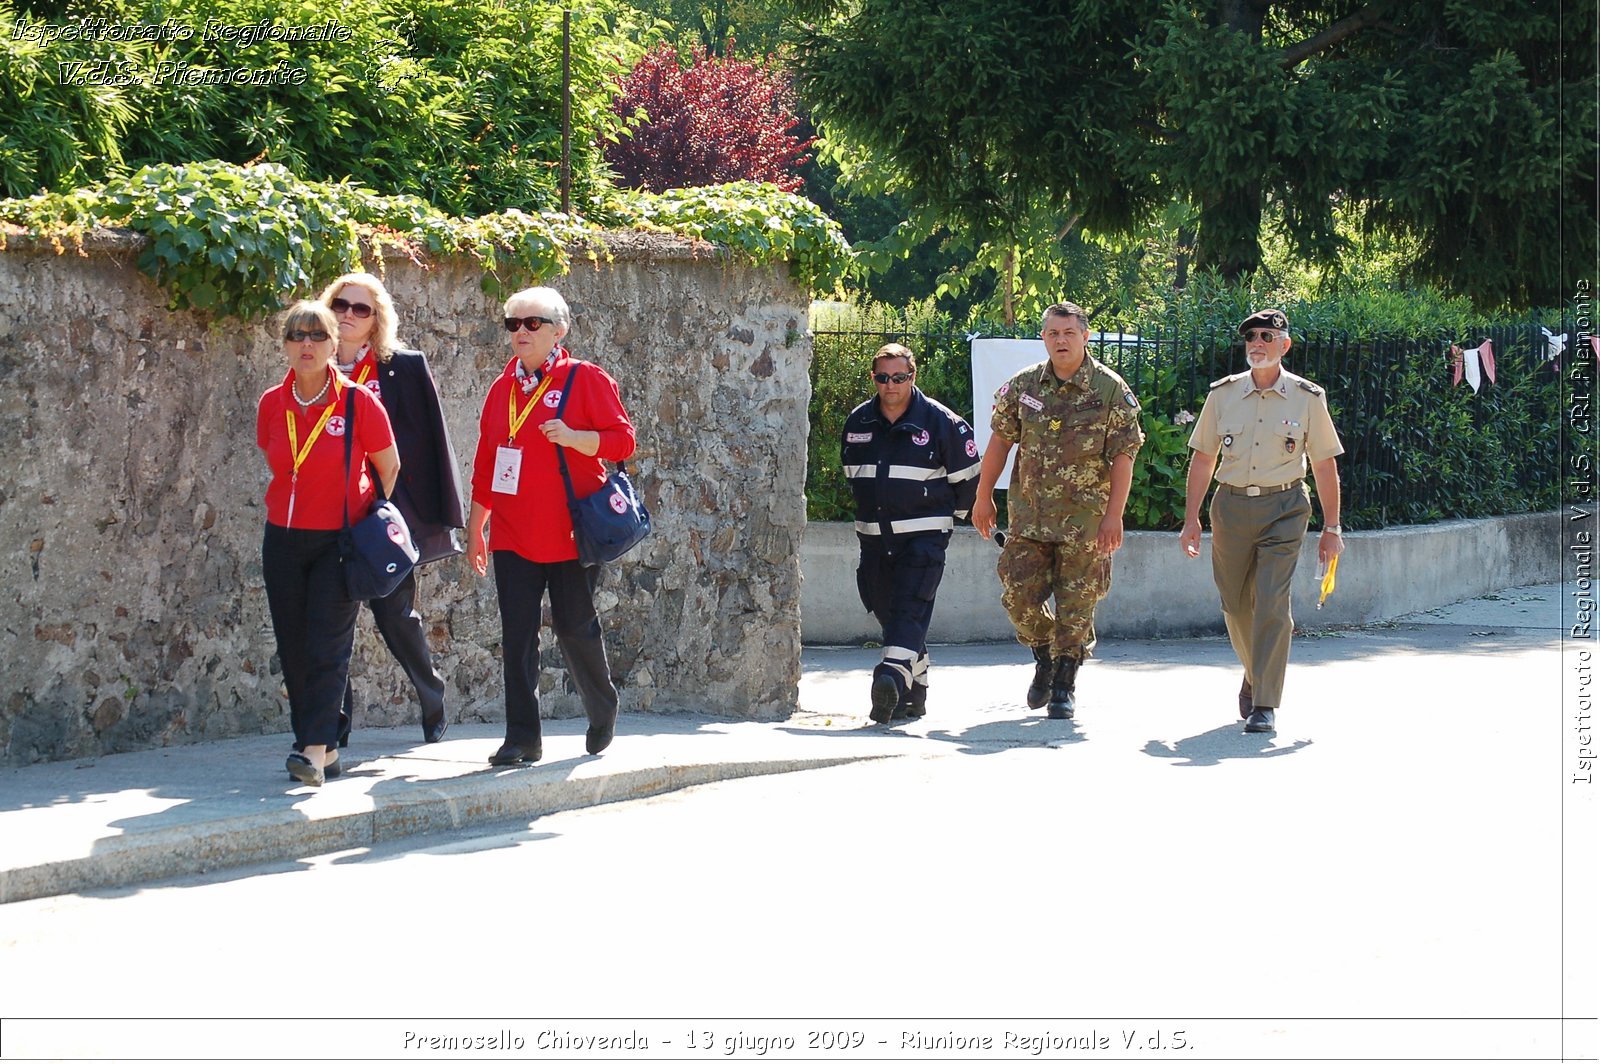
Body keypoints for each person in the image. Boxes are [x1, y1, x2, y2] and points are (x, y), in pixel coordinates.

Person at [466, 287, 637, 765]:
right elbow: (487, 461)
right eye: (513, 324)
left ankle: (601, 708)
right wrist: (478, 523)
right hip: (513, 534)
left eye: (532, 323)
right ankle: (523, 738)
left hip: (570, 531)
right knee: (517, 633)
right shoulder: (501, 389)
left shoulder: (586, 379)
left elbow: (623, 441)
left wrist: (578, 438)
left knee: (573, 626)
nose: (521, 332)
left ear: (559, 330)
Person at [972, 302, 1144, 719]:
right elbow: (1000, 441)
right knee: (1018, 597)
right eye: (1053, 333)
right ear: (1044, 338)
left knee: (1077, 604)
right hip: (1030, 517)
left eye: (1069, 333)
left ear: (1085, 337)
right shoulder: (1025, 385)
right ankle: (1045, 653)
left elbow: (1124, 455)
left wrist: (1113, 515)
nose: (1061, 340)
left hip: (1085, 522)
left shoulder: (1107, 389)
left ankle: (1065, 681)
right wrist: (982, 496)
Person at [1178, 309, 1345, 734]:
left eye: (1267, 336)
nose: (1257, 342)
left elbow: (1324, 465)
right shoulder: (1223, 394)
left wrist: (1332, 528)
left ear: (1284, 345)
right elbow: (1203, 457)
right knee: (1234, 605)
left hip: (1285, 507)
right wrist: (1191, 518)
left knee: (1271, 601)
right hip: (1231, 508)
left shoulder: (1308, 398)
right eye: (1251, 336)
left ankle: (1265, 704)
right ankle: (1256, 672)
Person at [257, 301, 400, 786]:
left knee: (327, 645)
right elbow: (276, 458)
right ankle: (327, 745)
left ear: (334, 343)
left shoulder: (360, 402)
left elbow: (389, 466)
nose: (307, 344)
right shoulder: (272, 404)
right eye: (297, 335)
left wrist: (366, 517)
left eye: (317, 335)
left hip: (339, 541)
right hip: (283, 539)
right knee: (294, 647)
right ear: (284, 345)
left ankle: (311, 752)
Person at [318, 272, 464, 746]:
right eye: (341, 305)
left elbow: (428, 445)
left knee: (394, 616)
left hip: (381, 516)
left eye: (361, 309)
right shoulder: (312, 363)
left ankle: (431, 689)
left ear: (377, 317)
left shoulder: (402, 366)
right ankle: (333, 729)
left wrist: (427, 518)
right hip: (324, 514)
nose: (348, 316)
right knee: (329, 622)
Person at [842, 343, 981, 724]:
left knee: (909, 607)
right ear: (874, 379)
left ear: (912, 376)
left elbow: (968, 479)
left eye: (899, 377)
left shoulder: (941, 422)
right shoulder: (858, 422)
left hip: (923, 538)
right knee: (889, 612)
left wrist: (943, 519)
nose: (891, 385)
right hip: (873, 538)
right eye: (883, 377)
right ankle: (914, 692)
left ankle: (888, 677)